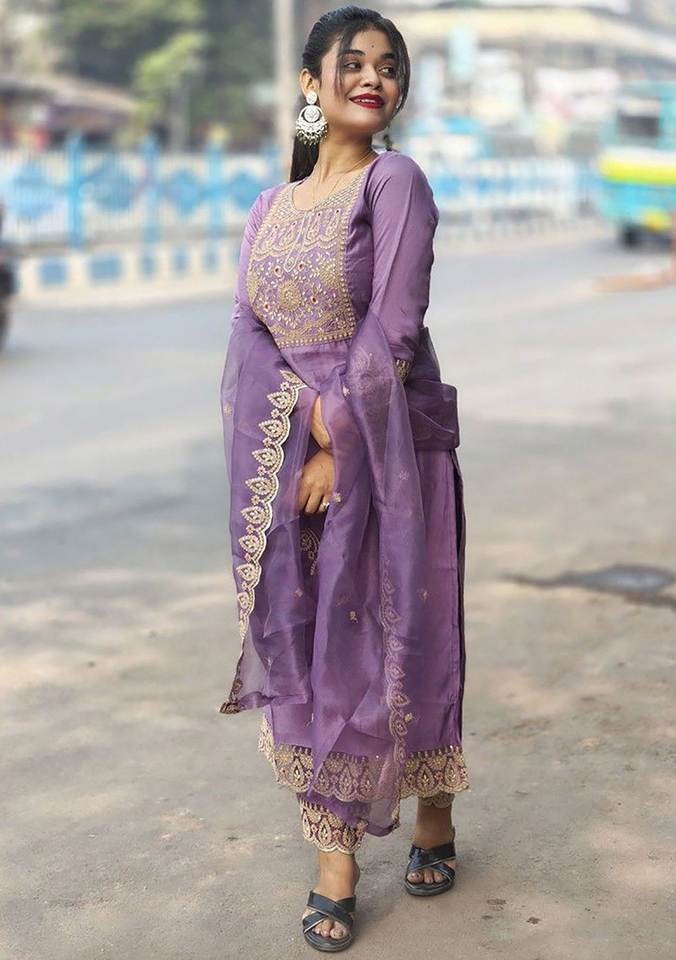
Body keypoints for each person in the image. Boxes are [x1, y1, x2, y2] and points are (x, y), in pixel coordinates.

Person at [218, 6, 470, 951]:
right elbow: (249, 337)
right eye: (353, 62)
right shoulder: (270, 208)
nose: (373, 77)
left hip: (391, 446)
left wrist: (338, 440)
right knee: (318, 641)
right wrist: (293, 434)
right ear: (310, 83)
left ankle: (428, 810)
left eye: (389, 66)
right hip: (298, 456)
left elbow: (395, 325)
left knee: (402, 635)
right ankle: (335, 849)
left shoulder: (395, 182)